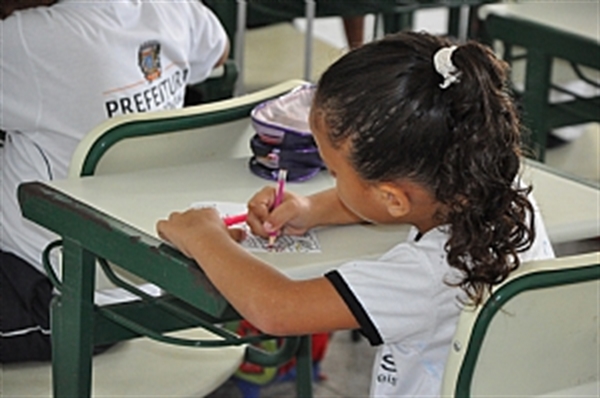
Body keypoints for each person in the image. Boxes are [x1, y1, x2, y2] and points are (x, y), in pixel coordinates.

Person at [157, 31, 555, 397]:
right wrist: (312, 208)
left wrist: (203, 236)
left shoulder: (428, 275)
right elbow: (394, 201)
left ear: (392, 198)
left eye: (334, 172)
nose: (331, 182)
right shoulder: (502, 190)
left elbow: (277, 308)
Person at [0, 0, 229, 363]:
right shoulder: (176, 8)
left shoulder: (28, 39)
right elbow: (218, 53)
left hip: (59, 295)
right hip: (156, 273)